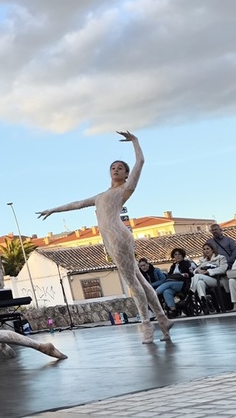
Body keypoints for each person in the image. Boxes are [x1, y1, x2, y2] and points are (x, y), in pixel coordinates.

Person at [37, 132, 172, 343]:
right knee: (139, 280)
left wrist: (135, 142)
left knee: (131, 282)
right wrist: (52, 210)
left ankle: (146, 323)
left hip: (119, 236)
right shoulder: (101, 196)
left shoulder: (125, 189)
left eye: (120, 168)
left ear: (126, 174)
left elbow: (140, 161)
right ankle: (163, 320)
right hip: (109, 239)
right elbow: (76, 204)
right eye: (113, 167)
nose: (116, 169)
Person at [190, 243, 228, 310]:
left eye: (208, 249)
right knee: (199, 282)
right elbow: (196, 270)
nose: (206, 251)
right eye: (204, 249)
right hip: (207, 279)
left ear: (212, 250)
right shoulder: (204, 261)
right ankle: (203, 300)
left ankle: (191, 292)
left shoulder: (220, 258)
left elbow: (223, 269)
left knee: (197, 276)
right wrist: (198, 271)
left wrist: (208, 271)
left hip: (219, 280)